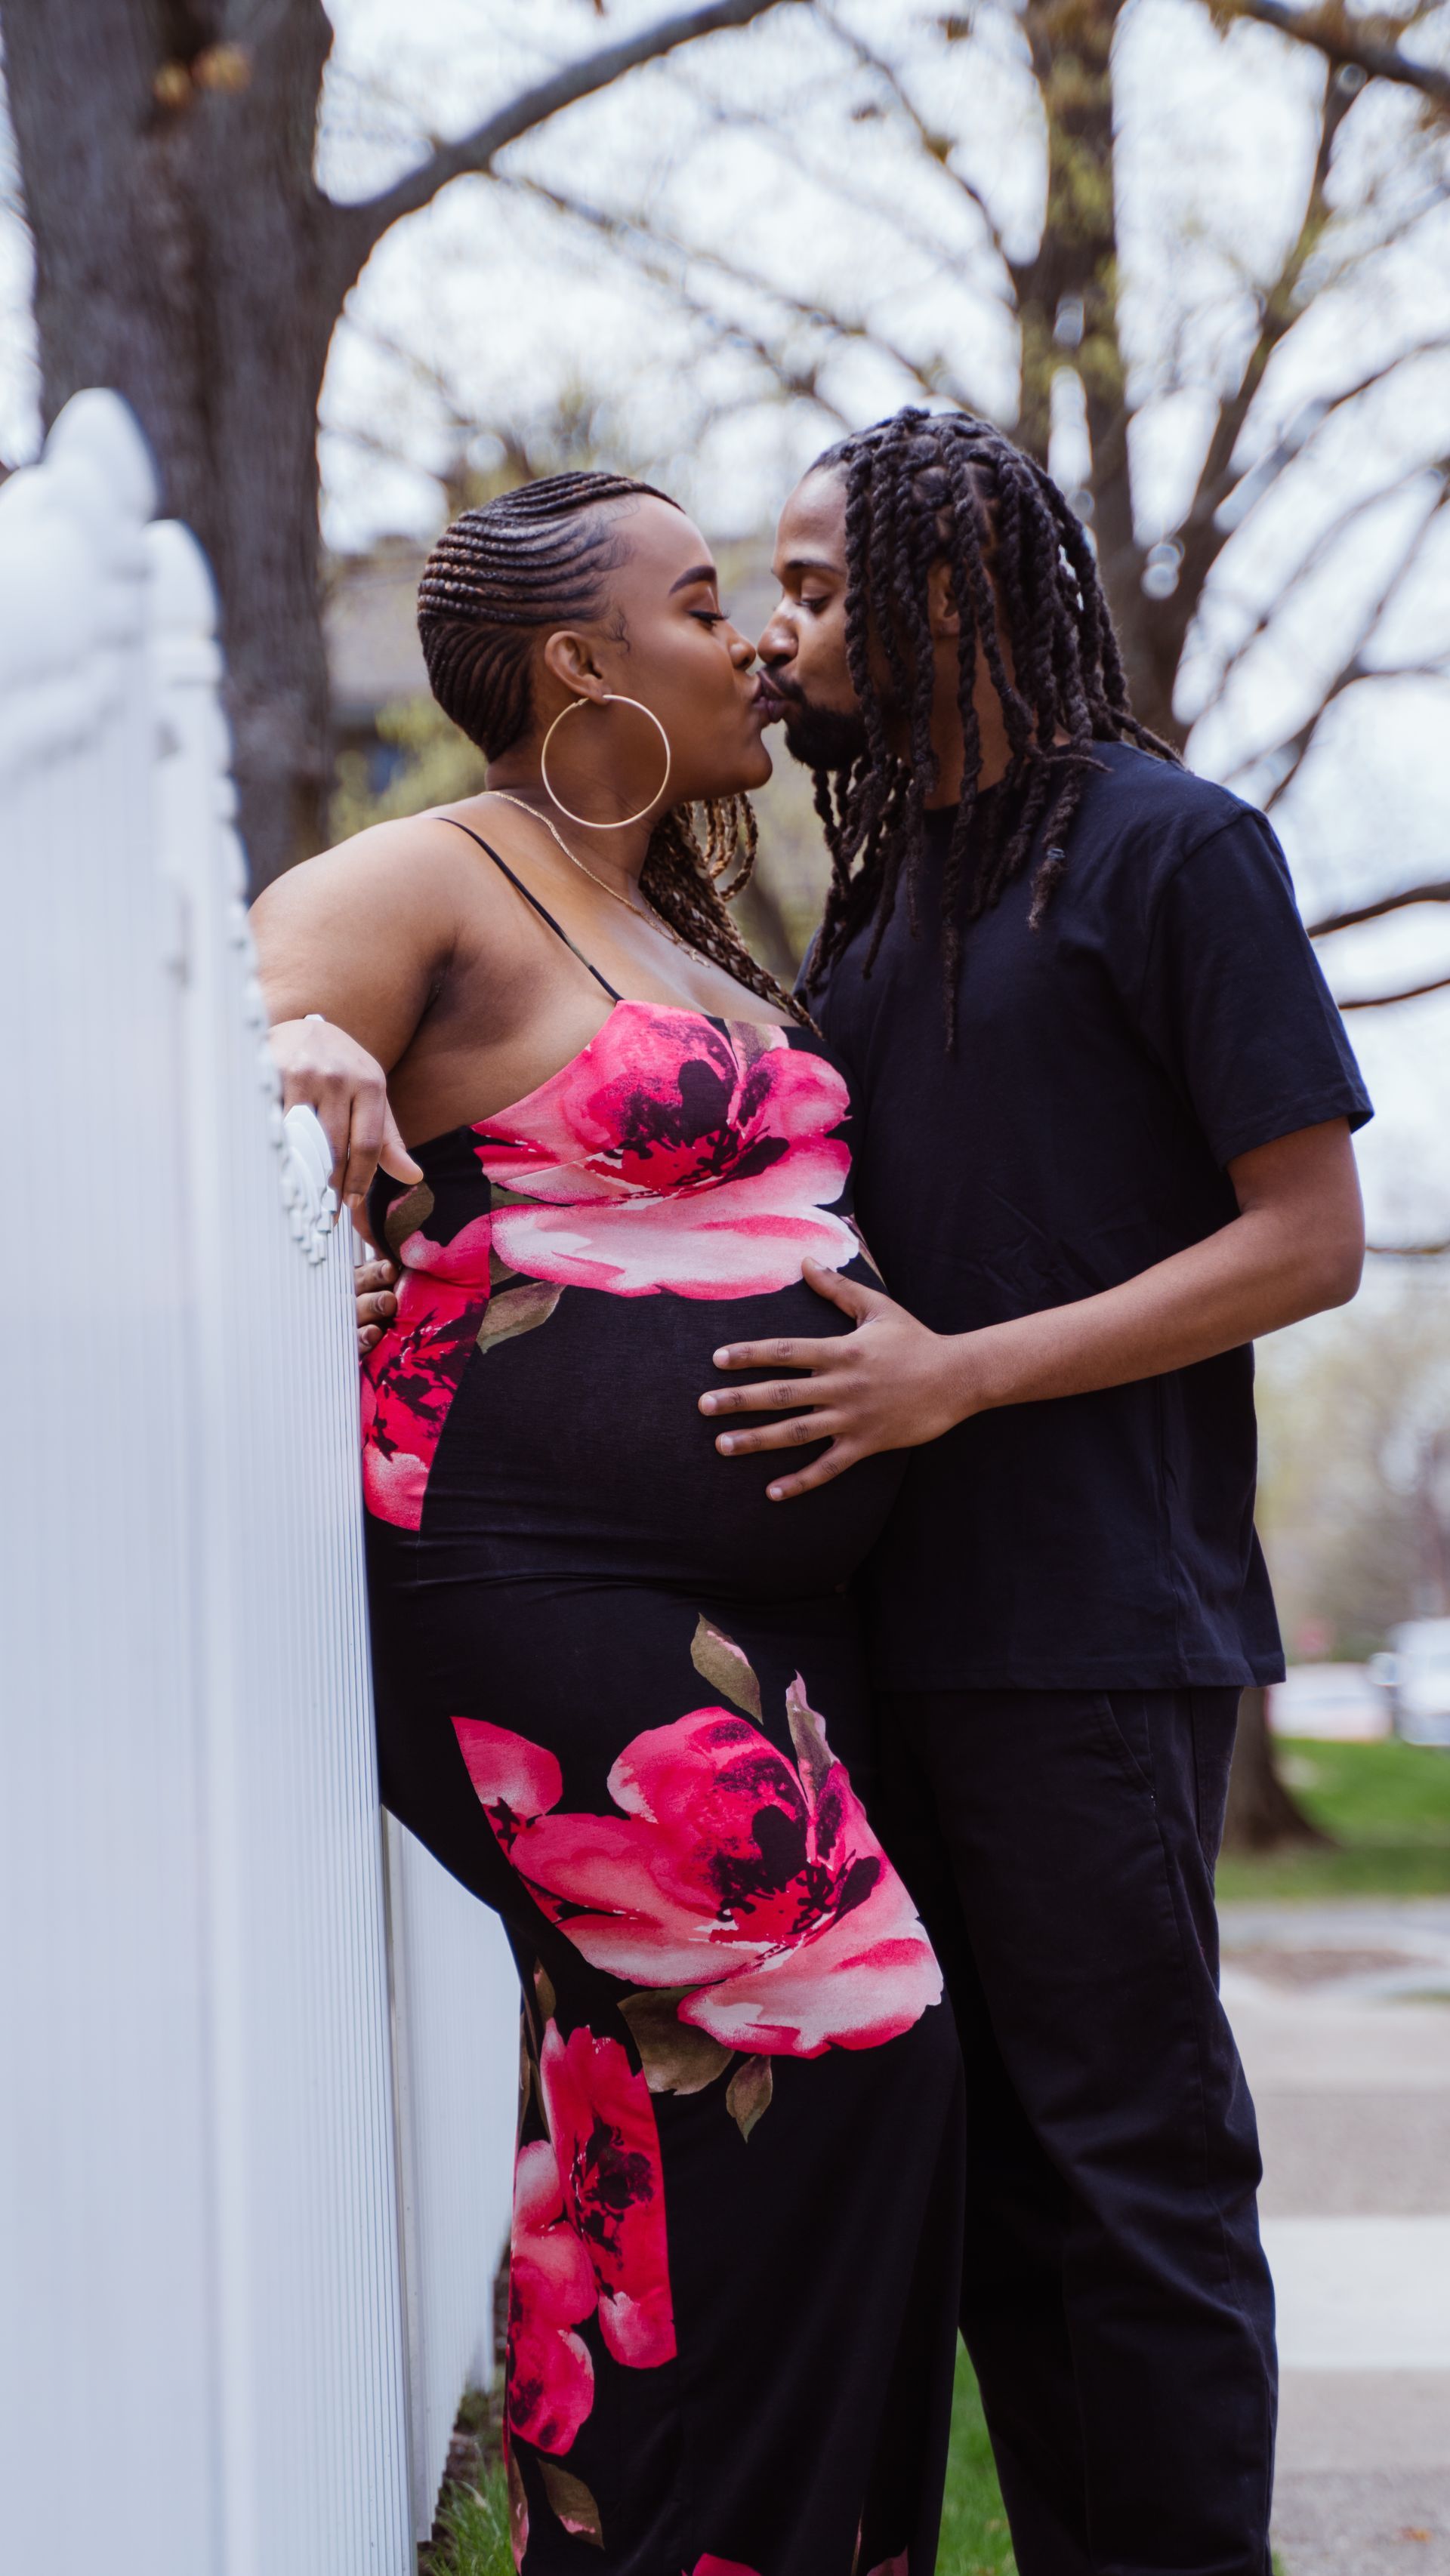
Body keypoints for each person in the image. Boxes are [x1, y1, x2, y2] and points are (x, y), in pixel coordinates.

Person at [255, 471, 964, 2576]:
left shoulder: (670, 916)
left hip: (753, 1619)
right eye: (703, 602)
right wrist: (288, 1040)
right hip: (526, 1589)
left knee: (641, 2125)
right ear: (581, 665)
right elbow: (181, 1059)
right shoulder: (433, 878)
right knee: (859, 2033)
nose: (756, 638)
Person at [691, 409, 1371, 2576]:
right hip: (897, 1637)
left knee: (1132, 2171)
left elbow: (1310, 1234)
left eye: (813, 588)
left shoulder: (1178, 849)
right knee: (990, 2181)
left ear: (954, 594)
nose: (778, 634)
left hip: (1097, 1626)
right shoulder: (887, 893)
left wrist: (955, 1378)